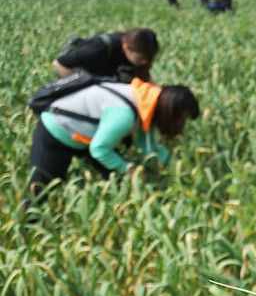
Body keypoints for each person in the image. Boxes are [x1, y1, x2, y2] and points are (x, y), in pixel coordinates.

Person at [28, 77, 200, 198]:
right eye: (182, 120)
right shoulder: (124, 115)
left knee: (118, 181)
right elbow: (99, 149)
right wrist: (128, 169)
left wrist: (176, 169)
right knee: (41, 192)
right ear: (170, 113)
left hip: (86, 137)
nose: (181, 126)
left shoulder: (145, 99)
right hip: (56, 133)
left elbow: (148, 146)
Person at [52, 29, 159, 82]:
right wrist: (77, 84)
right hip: (79, 73)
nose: (145, 62)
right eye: (140, 58)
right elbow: (59, 63)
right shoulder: (97, 49)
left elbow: (145, 80)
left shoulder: (140, 53)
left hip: (104, 76)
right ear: (126, 47)